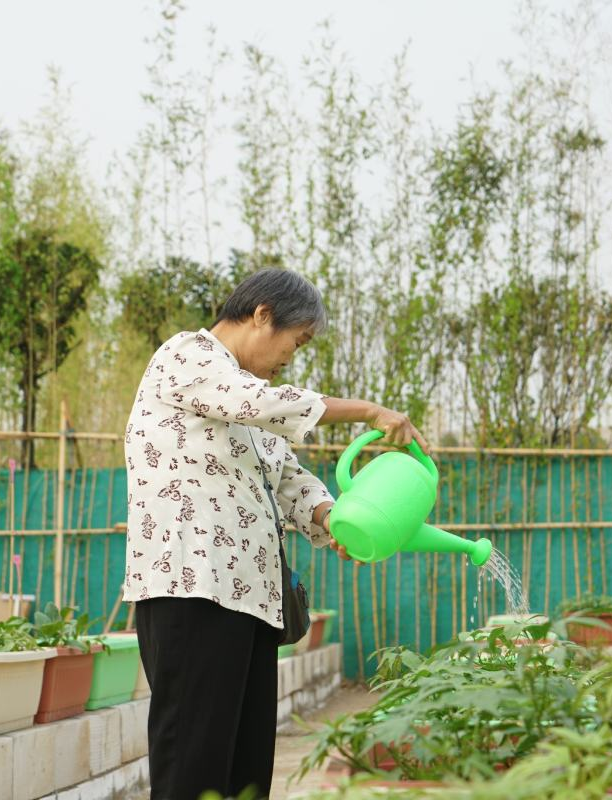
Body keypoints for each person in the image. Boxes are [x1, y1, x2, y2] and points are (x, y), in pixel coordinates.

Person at [122, 268, 429, 799]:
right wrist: (367, 412)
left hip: (252, 600)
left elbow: (288, 479)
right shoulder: (187, 357)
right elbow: (267, 403)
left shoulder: (244, 404)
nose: (293, 355)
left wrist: (336, 521)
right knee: (193, 766)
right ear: (263, 314)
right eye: (297, 340)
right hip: (191, 589)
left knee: (245, 772)